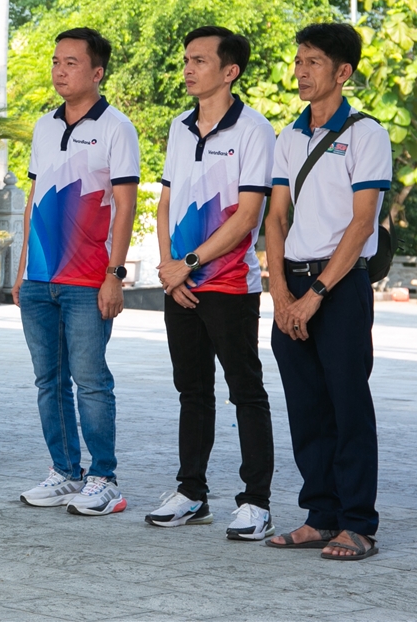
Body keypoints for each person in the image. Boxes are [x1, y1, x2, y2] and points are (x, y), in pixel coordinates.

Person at [263, 22, 391, 562]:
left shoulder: (366, 134)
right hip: (291, 282)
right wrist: (279, 294)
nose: (300, 71)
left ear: (343, 72)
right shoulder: (288, 137)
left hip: (338, 287)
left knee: (347, 403)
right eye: (298, 60)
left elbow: (362, 224)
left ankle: (358, 523)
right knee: (306, 407)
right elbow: (274, 217)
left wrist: (314, 294)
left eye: (313, 61)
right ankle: (321, 515)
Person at [148, 27, 277, 540]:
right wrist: (168, 268)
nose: (187, 68)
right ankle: (191, 493)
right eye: (185, 59)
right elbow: (164, 204)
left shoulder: (254, 131)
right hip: (180, 285)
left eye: (199, 60)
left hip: (228, 286)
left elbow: (248, 216)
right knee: (191, 391)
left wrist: (190, 262)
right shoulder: (179, 128)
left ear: (230, 72)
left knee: (245, 391)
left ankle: (257, 503)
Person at [12, 27, 139, 516]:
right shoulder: (45, 126)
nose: (59, 71)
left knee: (90, 381)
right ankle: (65, 472)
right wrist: (24, 270)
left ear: (97, 72)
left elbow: (125, 206)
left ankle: (103, 477)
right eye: (56, 62)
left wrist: (115, 274)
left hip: (89, 280)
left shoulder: (116, 127)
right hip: (41, 278)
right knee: (48, 380)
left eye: (71, 63)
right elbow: (32, 201)